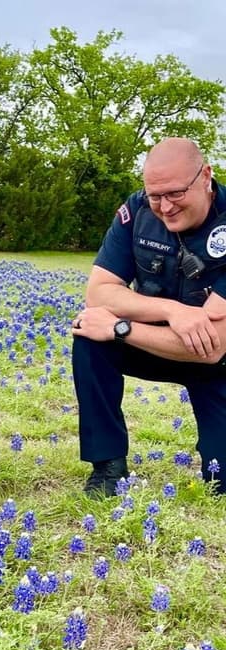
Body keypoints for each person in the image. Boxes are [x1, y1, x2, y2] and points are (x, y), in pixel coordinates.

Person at [72, 137, 226, 496]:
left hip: (217, 362)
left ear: (205, 176)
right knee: (90, 335)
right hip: (155, 342)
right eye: (155, 195)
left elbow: (214, 347)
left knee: (221, 482)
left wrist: (120, 327)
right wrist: (173, 311)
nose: (165, 207)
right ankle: (108, 467)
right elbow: (99, 292)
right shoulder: (137, 212)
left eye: (175, 193)